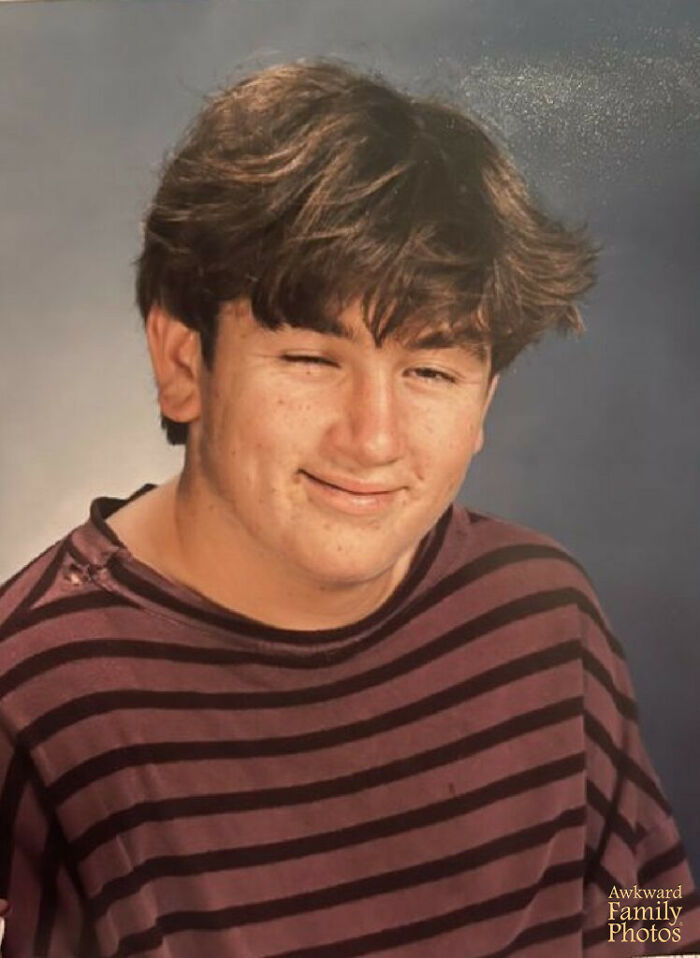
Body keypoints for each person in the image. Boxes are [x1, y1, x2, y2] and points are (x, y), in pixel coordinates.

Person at [0, 60, 697, 958]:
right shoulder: (31, 710)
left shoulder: (543, 615)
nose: (373, 438)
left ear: (483, 405)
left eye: (431, 372)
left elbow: (648, 912)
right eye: (311, 360)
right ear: (183, 364)